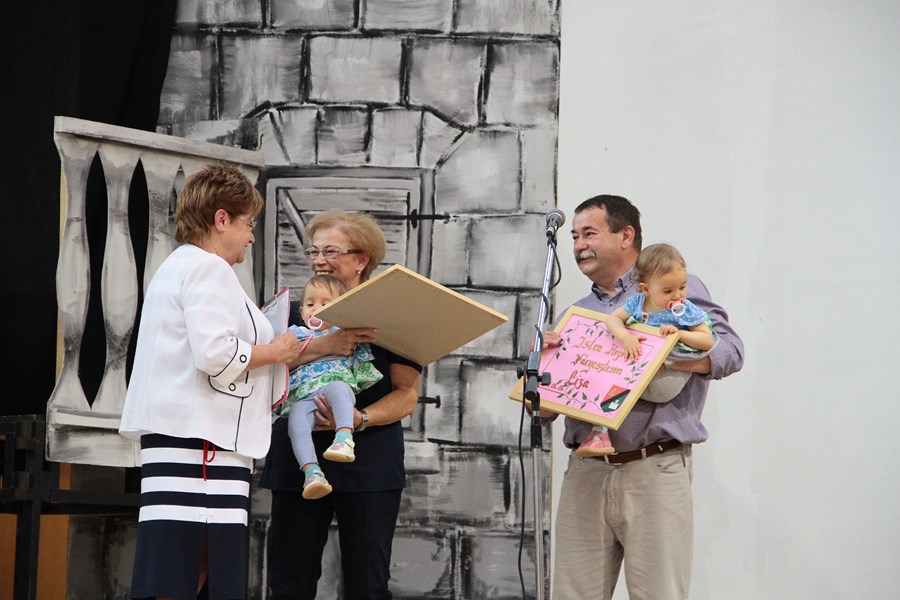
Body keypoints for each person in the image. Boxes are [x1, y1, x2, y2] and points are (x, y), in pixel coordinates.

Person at [542, 195, 744, 600]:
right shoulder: (577, 315)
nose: (579, 245)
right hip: (586, 472)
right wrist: (545, 368)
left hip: (654, 469)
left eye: (589, 234)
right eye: (575, 237)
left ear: (626, 236)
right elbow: (543, 412)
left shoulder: (674, 287)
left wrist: (661, 359)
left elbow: (730, 352)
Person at [118, 164, 302, 600]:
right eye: (248, 224)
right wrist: (277, 351)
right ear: (222, 219)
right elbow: (216, 354)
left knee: (187, 564)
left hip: (188, 432)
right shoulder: (209, 268)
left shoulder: (180, 264)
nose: (251, 237)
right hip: (201, 438)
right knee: (183, 564)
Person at [261, 209, 423, 600]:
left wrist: (358, 417)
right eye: (313, 251)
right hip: (297, 463)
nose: (319, 260)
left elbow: (407, 394)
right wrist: (323, 346)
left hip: (370, 463)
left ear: (362, 259)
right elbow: (263, 372)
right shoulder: (291, 312)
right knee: (289, 581)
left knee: (367, 585)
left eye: (330, 251)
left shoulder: (391, 315)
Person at [575, 242, 715, 457]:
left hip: (667, 375)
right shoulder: (637, 304)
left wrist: (679, 334)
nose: (677, 295)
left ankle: (602, 430)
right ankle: (600, 433)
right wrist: (625, 337)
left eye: (682, 287)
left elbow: (706, 340)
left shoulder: (684, 309)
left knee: (621, 377)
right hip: (642, 370)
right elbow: (612, 319)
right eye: (668, 290)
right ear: (646, 289)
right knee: (606, 375)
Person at [278, 274, 383, 500]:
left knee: (339, 389)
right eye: (310, 304)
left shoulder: (343, 332)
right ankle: (312, 472)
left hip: (334, 385)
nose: (316, 309)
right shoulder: (295, 335)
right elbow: (279, 359)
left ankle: (344, 437)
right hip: (304, 396)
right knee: (296, 421)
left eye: (326, 305)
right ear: (301, 311)